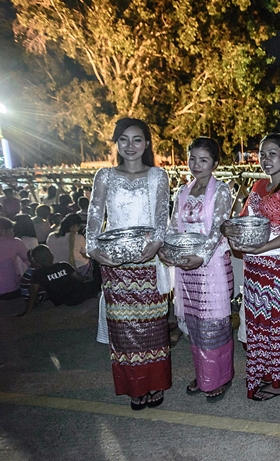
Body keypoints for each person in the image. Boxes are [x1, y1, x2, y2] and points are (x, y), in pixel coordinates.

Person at [86, 118, 171, 411]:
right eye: (124, 139)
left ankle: (155, 382)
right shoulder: (104, 176)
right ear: (116, 143)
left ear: (146, 144)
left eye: (137, 140)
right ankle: (136, 386)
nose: (131, 146)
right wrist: (93, 249)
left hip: (148, 261)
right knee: (124, 330)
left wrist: (157, 242)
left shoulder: (158, 176)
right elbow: (95, 216)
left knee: (152, 327)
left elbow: (162, 215)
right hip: (115, 264)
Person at [223, 133, 280, 401]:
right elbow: (244, 220)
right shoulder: (258, 185)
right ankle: (264, 373)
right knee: (256, 322)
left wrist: (260, 249)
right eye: (262, 154)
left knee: (275, 323)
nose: (266, 159)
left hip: (276, 264)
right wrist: (231, 229)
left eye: (272, 153)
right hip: (253, 265)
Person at [160, 137, 235, 402]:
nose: (196, 164)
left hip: (211, 265)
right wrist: (168, 252)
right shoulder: (182, 191)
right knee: (194, 323)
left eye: (203, 160)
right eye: (193, 158)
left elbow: (217, 230)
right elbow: (172, 227)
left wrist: (200, 258)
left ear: (215, 163)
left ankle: (220, 376)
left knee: (213, 324)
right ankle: (204, 374)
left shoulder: (222, 191)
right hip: (185, 266)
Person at [20, 245, 100, 316]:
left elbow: (33, 293)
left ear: (36, 260)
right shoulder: (64, 265)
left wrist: (27, 312)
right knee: (96, 282)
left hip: (60, 300)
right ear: (51, 255)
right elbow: (80, 278)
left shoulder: (37, 274)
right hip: (78, 294)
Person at [0, 217, 30, 299]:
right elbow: (29, 260)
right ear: (3, 231)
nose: (13, 232)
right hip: (11, 287)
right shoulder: (15, 242)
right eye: (11, 229)